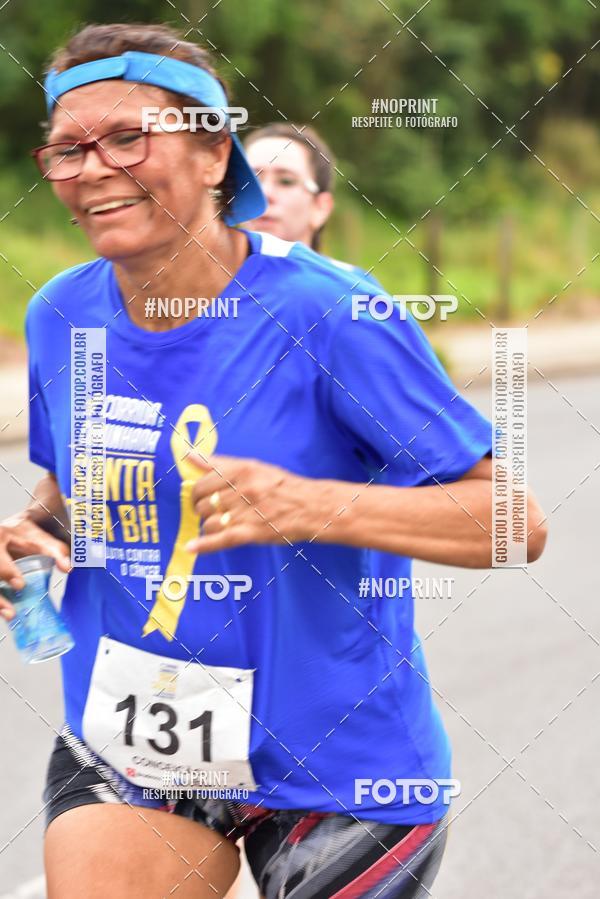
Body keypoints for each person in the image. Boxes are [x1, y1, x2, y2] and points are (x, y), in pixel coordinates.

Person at [0, 22, 548, 899]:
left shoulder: (334, 314)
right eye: (66, 149)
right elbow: (74, 481)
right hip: (144, 742)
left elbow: (514, 522)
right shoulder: (62, 314)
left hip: (341, 766)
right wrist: (34, 532)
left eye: (128, 137)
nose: (92, 167)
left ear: (216, 152)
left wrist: (307, 505)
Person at [244, 122, 382, 284]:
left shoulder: (351, 291)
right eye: (251, 181)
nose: (264, 193)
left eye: (286, 181)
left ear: (320, 208)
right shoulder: (212, 288)